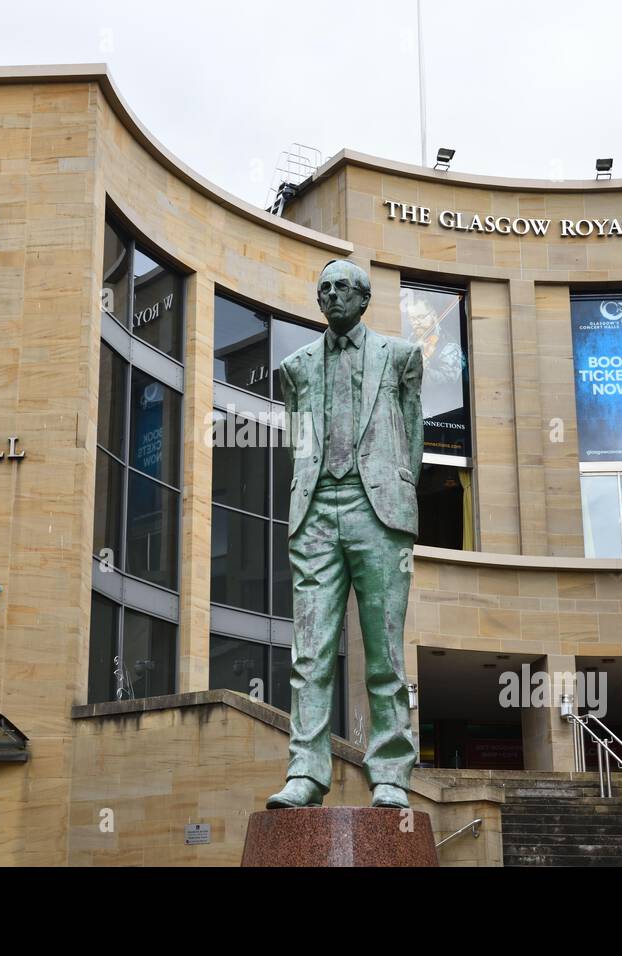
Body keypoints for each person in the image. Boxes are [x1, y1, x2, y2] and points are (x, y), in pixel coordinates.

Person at [266, 259, 423, 811]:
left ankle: (390, 775)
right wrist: (313, 493)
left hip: (377, 511)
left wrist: (394, 491)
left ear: (364, 300)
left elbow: (412, 436)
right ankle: (306, 772)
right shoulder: (296, 367)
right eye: (324, 289)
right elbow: (298, 438)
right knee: (308, 653)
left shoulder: (400, 356)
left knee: (384, 652)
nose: (331, 296)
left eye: (343, 289)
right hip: (316, 512)